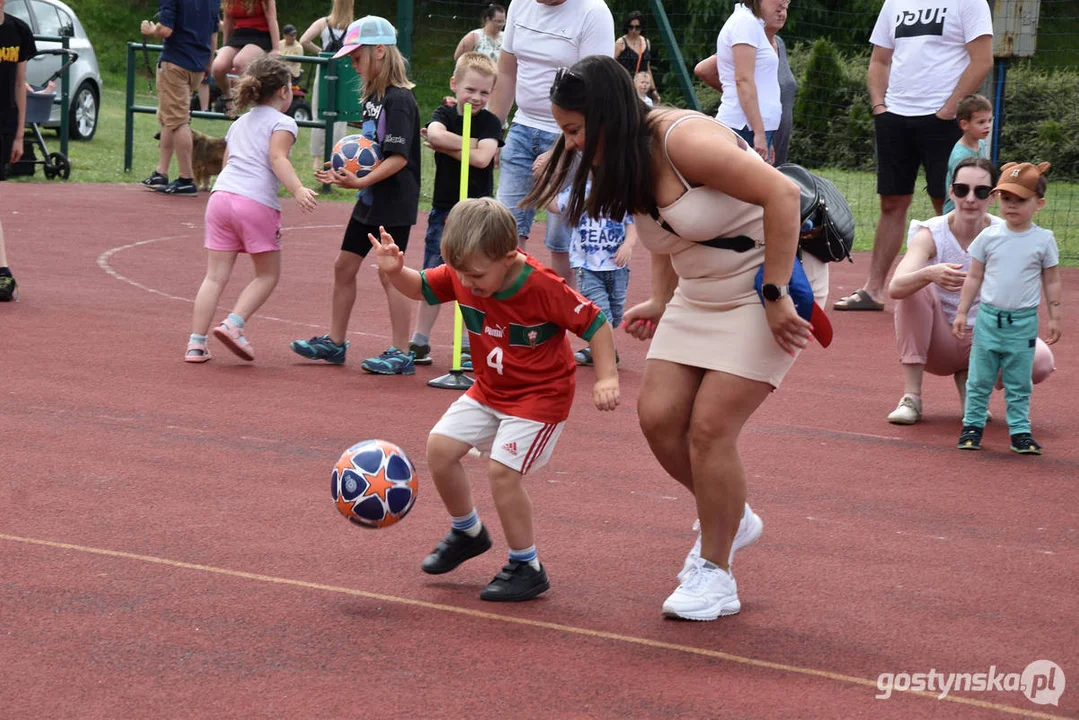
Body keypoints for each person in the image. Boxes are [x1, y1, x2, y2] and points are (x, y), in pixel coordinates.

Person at [526, 56, 823, 620]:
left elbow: (783, 197)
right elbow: (663, 230)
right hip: (698, 291)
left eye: (573, 130)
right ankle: (733, 514)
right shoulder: (620, 154)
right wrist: (662, 300)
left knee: (710, 428)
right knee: (659, 418)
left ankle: (717, 574)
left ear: (608, 115)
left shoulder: (683, 141)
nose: (568, 145)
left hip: (763, 284)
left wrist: (777, 293)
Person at [367, 197, 619, 601]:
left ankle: (526, 565)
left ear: (508, 256)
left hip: (540, 397)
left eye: (476, 275)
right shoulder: (467, 270)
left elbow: (596, 325)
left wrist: (607, 377)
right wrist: (396, 271)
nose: (466, 284)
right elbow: (421, 288)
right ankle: (467, 531)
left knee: (503, 472)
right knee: (440, 449)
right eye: (461, 274)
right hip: (488, 390)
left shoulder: (543, 285)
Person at [834, 0, 993, 311]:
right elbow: (879, 60)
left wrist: (949, 110)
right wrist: (880, 106)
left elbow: (982, 60)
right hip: (895, 117)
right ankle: (874, 290)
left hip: (944, 120)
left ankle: (966, 291)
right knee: (891, 202)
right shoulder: (895, 2)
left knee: (952, 202)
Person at [291, 16, 422, 375]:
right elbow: (369, 154)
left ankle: (401, 351)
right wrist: (341, 175)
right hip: (370, 199)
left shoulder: (398, 100)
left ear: (380, 51)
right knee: (343, 266)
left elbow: (398, 158)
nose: (352, 64)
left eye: (356, 57)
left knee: (389, 273)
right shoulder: (372, 98)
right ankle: (335, 343)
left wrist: (361, 182)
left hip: (393, 200)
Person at [886, 157, 1055, 425]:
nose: (970, 199)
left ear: (993, 196)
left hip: (985, 338)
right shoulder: (930, 233)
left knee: (1042, 359)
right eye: (962, 189)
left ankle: (973, 389)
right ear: (951, 192)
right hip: (937, 343)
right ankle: (912, 398)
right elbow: (895, 287)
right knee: (914, 287)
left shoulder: (1007, 233)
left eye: (981, 191)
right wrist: (931, 273)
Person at [185, 55, 318, 363]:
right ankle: (234, 324)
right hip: (254, 201)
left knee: (214, 276)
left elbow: (229, 161)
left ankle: (196, 343)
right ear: (284, 92)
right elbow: (277, 158)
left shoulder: (239, 123)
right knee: (268, 275)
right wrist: (297, 189)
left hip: (220, 198)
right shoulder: (284, 122)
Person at [487, 0, 615, 289]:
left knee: (563, 244)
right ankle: (504, 324)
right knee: (505, 232)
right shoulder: (520, 4)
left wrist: (562, 149)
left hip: (572, 137)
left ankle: (561, 323)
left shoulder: (593, 13)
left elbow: (597, 92)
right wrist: (492, 133)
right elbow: (507, 72)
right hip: (521, 129)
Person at [953, 162, 1062, 454]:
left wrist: (1054, 315)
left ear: (1039, 204)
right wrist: (963, 311)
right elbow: (974, 276)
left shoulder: (1043, 240)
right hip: (988, 320)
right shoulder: (989, 236)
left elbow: (1050, 280)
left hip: (1023, 324)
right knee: (978, 379)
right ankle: (972, 427)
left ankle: (1020, 432)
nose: (1011, 206)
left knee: (1018, 382)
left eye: (1020, 200)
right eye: (1006, 199)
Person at [409, 52, 503, 367]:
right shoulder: (445, 113)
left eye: (484, 93)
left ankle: (468, 343)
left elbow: (482, 159)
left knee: (475, 277)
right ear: (454, 85)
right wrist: (468, 143)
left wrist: (448, 147)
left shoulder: (490, 122)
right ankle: (419, 342)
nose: (476, 97)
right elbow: (434, 133)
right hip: (445, 209)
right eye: (470, 90)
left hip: (478, 214)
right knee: (435, 275)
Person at [547, 177, 637, 365]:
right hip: (586, 266)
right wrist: (545, 179)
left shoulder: (622, 190)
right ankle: (608, 356)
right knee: (602, 313)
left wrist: (628, 244)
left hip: (617, 267)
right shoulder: (578, 190)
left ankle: (596, 347)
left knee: (615, 314)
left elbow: (632, 221)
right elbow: (555, 206)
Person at [695, 0, 794, 166]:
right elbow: (743, 80)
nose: (784, 4)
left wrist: (764, 135)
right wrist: (759, 134)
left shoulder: (753, 24)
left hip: (752, 129)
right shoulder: (745, 23)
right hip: (743, 128)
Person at [139, 0, 221, 196]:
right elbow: (213, 32)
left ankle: (186, 178)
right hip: (198, 64)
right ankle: (161, 171)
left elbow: (165, 29)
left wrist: (151, 30)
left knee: (178, 120)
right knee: (169, 116)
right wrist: (209, 63)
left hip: (176, 61)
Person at [0, 1, 36, 302]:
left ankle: (2, 271)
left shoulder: (18, 31)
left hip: (4, 124)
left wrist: (19, 135)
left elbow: (19, 84)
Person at [299, 0, 354, 171]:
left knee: (319, 114)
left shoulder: (323, 23)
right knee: (340, 117)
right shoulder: (353, 26)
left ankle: (317, 159)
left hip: (324, 72)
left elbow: (304, 41)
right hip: (344, 72)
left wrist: (322, 53)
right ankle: (335, 158)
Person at [213, 0, 280, 118]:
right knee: (218, 67)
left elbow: (271, 18)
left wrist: (276, 49)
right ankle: (229, 97)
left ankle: (247, 103)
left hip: (261, 34)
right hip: (239, 35)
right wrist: (225, 46)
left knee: (240, 62)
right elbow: (228, 20)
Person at [941, 94, 992, 214]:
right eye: (981, 122)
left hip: (974, 205)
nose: (988, 126)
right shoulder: (961, 156)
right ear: (964, 125)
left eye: (989, 120)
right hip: (957, 210)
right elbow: (961, 189)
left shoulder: (981, 144)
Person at [614, 10, 655, 96]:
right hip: (624, 87)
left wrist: (653, 90)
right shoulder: (620, 43)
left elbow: (647, 69)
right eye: (631, 27)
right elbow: (611, 65)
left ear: (642, 27)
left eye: (637, 27)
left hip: (642, 88)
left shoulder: (646, 42)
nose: (633, 30)